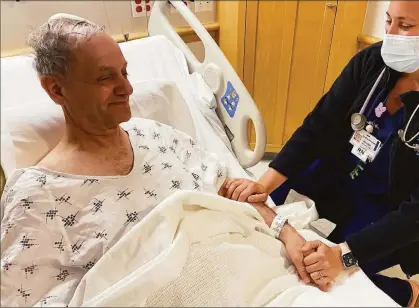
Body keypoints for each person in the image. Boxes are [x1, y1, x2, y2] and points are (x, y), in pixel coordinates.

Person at [0, 15, 313, 307]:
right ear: (56, 89)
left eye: (125, 72)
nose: (127, 88)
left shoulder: (157, 135)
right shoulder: (38, 197)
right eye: (105, 77)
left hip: (269, 284)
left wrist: (289, 234)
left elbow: (232, 193)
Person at [224, 1, 419, 306]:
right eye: (388, 21)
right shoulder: (373, 62)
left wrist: (345, 256)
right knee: (254, 214)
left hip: (394, 210)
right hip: (340, 171)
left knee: (318, 276)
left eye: (405, 27)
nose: (390, 36)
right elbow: (319, 125)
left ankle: (402, 292)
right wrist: (265, 183)